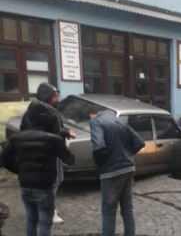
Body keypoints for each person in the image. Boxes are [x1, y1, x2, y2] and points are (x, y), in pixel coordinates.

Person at [1, 83, 75, 236]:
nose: (57, 99)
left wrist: (21, 169)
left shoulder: (19, 135)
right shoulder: (49, 121)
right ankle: (52, 211)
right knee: (44, 222)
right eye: (55, 96)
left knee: (31, 218)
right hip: (45, 180)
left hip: (26, 181)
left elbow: (4, 160)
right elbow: (69, 159)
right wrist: (62, 143)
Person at [21, 83, 75, 224]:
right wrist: (65, 135)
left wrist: (65, 131)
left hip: (35, 152)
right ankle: (49, 211)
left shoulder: (32, 109)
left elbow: (43, 130)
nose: (58, 99)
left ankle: (39, 210)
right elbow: (52, 133)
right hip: (49, 154)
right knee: (53, 182)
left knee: (45, 182)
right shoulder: (49, 111)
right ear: (48, 97)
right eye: (55, 96)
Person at [90, 110, 145, 236]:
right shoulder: (121, 122)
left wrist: (101, 165)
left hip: (110, 172)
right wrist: (128, 155)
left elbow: (98, 147)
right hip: (128, 168)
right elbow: (140, 142)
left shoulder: (96, 122)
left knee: (108, 211)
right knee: (127, 209)